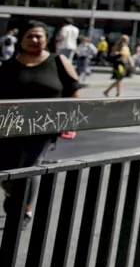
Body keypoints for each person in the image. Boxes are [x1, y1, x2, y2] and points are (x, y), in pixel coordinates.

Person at [0, 21, 83, 223]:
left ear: (47, 39)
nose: (34, 40)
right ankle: (13, 194)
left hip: (44, 126)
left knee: (31, 163)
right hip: (11, 126)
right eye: (30, 36)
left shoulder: (58, 61)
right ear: (21, 40)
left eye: (39, 36)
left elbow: (74, 89)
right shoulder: (10, 65)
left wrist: (73, 119)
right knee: (6, 167)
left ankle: (24, 210)